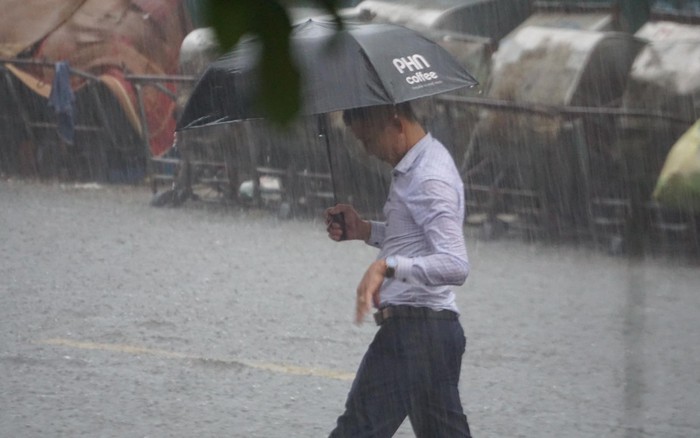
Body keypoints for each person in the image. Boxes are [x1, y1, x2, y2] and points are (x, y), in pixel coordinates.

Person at [325, 103, 473, 437]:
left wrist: (387, 267)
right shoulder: (418, 165)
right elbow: (413, 241)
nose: (368, 151)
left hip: (414, 332)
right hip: (432, 333)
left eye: (368, 140)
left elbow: (455, 264)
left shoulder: (428, 177)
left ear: (396, 124)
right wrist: (364, 230)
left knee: (356, 432)